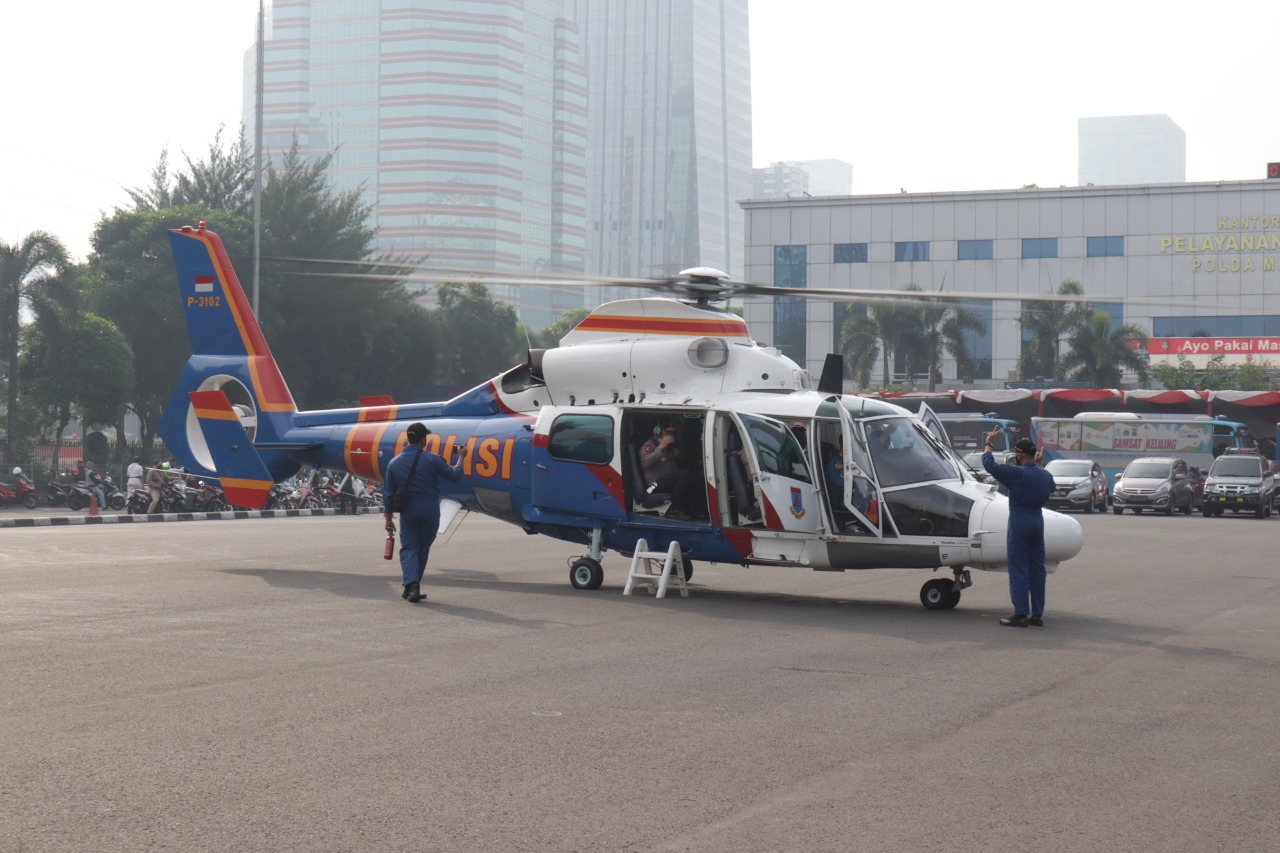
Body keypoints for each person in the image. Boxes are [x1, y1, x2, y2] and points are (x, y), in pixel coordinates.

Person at [382, 423, 463, 603]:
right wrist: (462, 458)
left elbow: (387, 493)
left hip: (409, 512)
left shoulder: (394, 463)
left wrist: (388, 519)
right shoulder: (433, 459)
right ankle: (412, 586)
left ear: (407, 439)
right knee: (423, 548)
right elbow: (455, 476)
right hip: (430, 511)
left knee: (410, 548)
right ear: (423, 440)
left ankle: (412, 585)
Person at [982, 429, 1055, 627]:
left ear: (1020, 454)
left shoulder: (1017, 473)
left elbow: (990, 465)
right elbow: (1050, 486)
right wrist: (1039, 466)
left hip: (1019, 519)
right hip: (1037, 519)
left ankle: (1021, 613)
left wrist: (989, 443)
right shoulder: (1045, 475)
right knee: (1037, 569)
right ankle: (1037, 614)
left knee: (1019, 568)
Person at [639, 418, 703, 520]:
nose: (671, 434)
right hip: (654, 485)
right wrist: (662, 446)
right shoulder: (649, 445)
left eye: (673, 432)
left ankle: (695, 507)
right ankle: (676, 510)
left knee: (696, 475)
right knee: (683, 474)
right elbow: (645, 463)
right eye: (668, 432)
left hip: (670, 481)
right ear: (658, 430)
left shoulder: (672, 447)